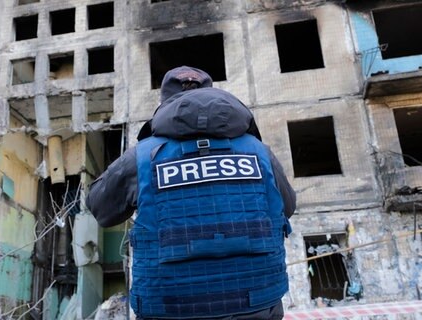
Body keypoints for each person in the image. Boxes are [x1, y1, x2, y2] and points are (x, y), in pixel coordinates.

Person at [85, 66, 296, 319]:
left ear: (165, 102)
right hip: (258, 304)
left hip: (170, 309)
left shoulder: (142, 157)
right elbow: (288, 208)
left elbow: (100, 209)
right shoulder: (260, 152)